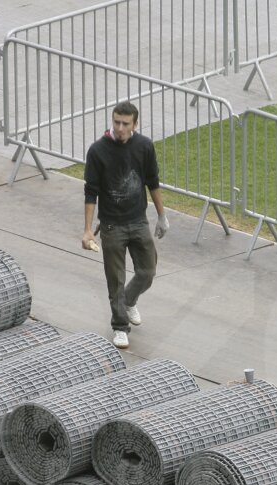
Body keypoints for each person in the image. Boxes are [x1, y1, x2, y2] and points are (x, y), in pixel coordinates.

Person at [82, 100, 168, 350]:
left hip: (138, 220)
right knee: (115, 280)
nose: (120, 128)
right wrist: (88, 230)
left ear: (135, 124)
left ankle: (129, 301)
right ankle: (120, 327)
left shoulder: (144, 147)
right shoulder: (98, 151)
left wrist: (162, 216)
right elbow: (90, 192)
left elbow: (153, 182)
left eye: (125, 124)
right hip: (112, 226)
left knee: (148, 271)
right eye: (116, 122)